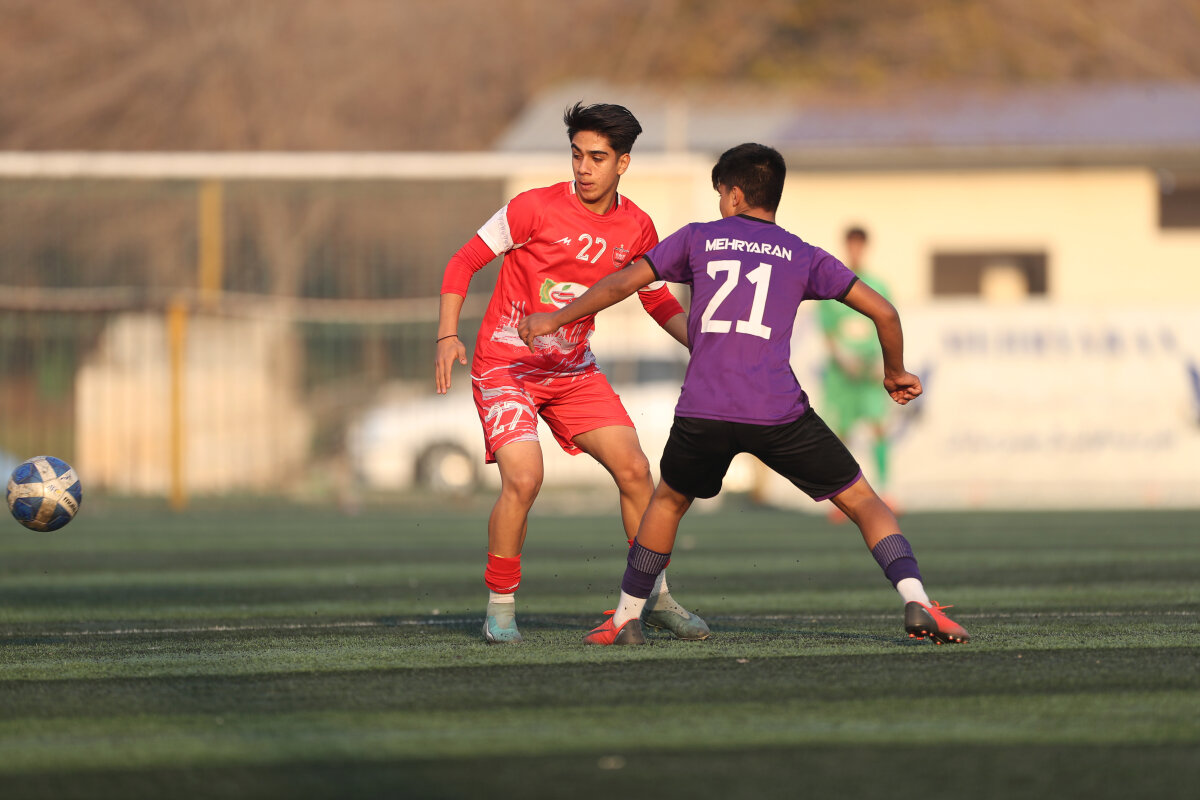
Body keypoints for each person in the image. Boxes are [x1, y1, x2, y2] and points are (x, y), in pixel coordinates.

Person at [518, 143, 969, 646]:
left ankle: (626, 619)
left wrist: (556, 318)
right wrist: (894, 372)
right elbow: (884, 312)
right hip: (776, 410)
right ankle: (917, 600)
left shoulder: (697, 238)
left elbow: (622, 284)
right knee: (863, 500)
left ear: (733, 196)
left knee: (667, 502)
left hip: (704, 409)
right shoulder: (803, 254)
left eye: (720, 194)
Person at [435, 101, 710, 644]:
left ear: (623, 163)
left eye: (597, 158)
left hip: (572, 371)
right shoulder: (532, 208)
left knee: (636, 471)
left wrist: (703, 346)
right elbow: (462, 261)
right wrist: (447, 334)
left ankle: (655, 597)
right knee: (524, 478)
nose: (584, 168)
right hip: (506, 367)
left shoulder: (638, 227)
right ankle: (500, 608)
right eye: (577, 155)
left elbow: (656, 299)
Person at [819, 226, 896, 510]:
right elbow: (828, 331)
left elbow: (887, 323)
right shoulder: (831, 284)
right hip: (843, 374)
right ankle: (841, 498)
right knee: (841, 433)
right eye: (851, 244)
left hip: (869, 372)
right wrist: (842, 357)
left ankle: (886, 491)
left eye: (859, 245)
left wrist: (884, 362)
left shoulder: (878, 285)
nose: (855, 250)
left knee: (879, 426)